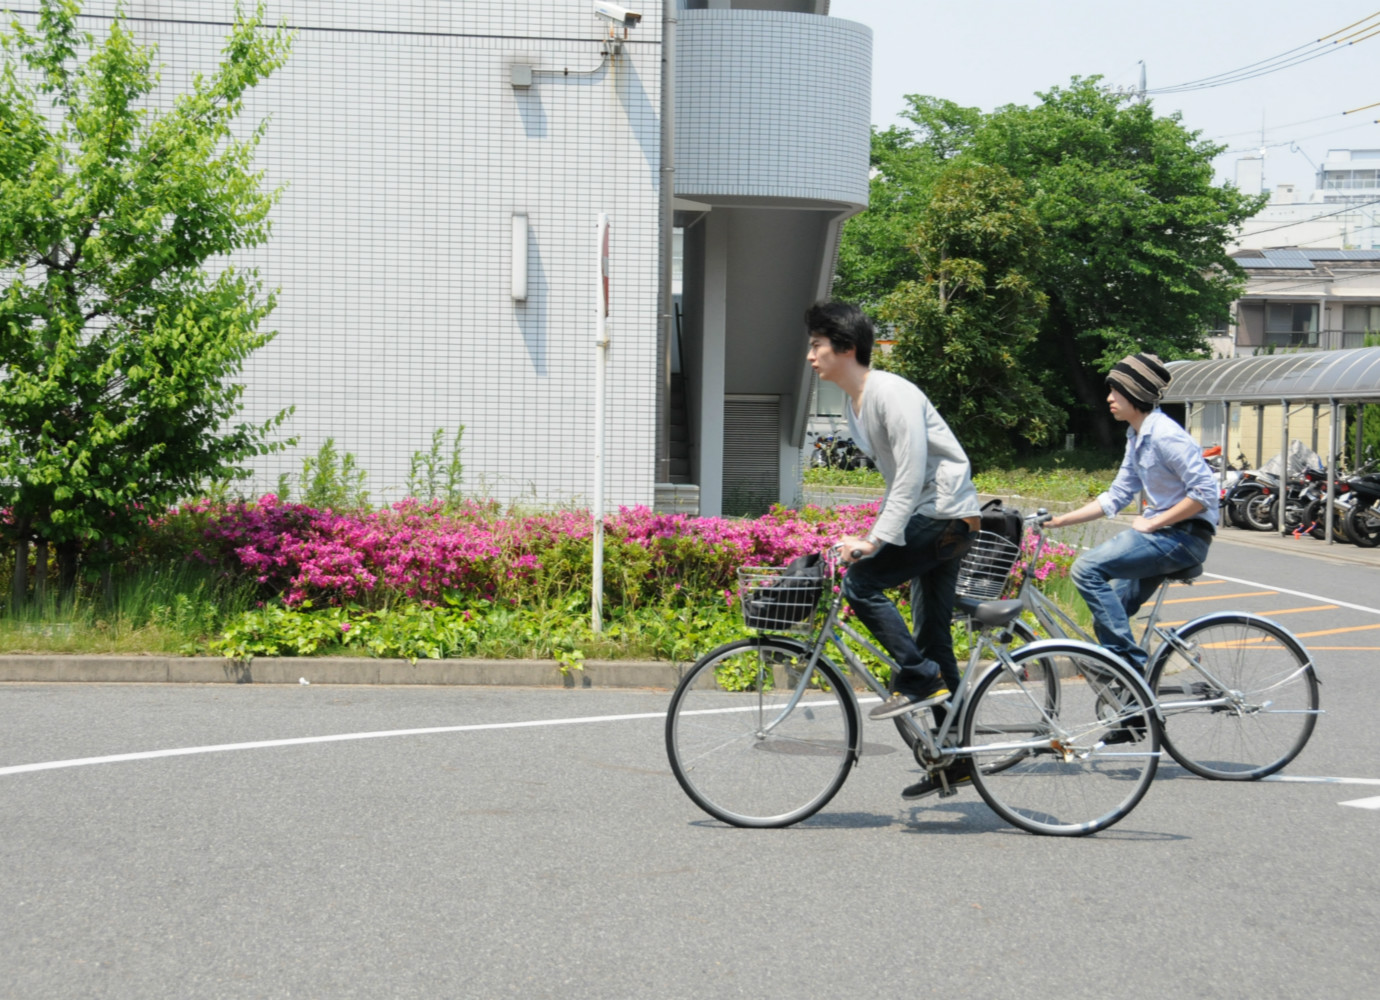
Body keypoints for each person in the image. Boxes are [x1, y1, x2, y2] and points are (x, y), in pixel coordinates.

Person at [805, 300, 981, 800]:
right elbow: (898, 484)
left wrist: (876, 540)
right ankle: (956, 757)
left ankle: (919, 678)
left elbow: (909, 472)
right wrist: (877, 532)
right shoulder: (855, 404)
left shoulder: (891, 393)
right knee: (932, 636)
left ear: (847, 348)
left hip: (944, 515)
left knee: (862, 582)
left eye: (817, 346)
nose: (811, 357)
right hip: (939, 516)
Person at [1047, 352, 1218, 673]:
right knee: (1108, 617)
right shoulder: (1136, 436)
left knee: (1085, 569)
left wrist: (1155, 520)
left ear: (1136, 393)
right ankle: (1132, 711)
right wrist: (1060, 521)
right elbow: (1117, 496)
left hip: (1183, 536)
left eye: (1116, 390)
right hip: (1167, 536)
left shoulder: (1165, 436)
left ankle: (1133, 671)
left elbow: (1205, 493)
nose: (1109, 398)